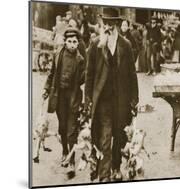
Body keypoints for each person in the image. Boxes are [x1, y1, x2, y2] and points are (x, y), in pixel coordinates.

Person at [85, 8, 139, 182]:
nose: (107, 27)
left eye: (110, 23)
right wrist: (88, 98)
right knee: (105, 137)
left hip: (121, 100)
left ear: (116, 24)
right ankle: (104, 175)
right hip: (102, 100)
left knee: (119, 136)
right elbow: (89, 74)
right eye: (105, 23)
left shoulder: (126, 45)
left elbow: (132, 74)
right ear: (102, 24)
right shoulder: (95, 45)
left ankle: (116, 167)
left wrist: (134, 99)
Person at [42, 27, 85, 179]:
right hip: (59, 96)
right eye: (70, 42)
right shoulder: (58, 55)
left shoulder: (80, 60)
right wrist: (47, 89)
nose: (72, 44)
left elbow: (83, 79)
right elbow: (52, 73)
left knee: (72, 129)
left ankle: (72, 161)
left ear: (77, 43)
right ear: (65, 43)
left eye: (75, 42)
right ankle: (65, 151)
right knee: (62, 127)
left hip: (73, 97)